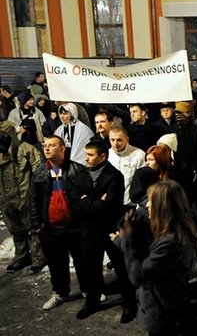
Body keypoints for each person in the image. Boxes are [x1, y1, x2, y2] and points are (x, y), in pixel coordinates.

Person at [121, 180, 197, 336]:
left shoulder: (169, 242)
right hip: (170, 306)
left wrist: (127, 242)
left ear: (163, 206)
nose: (146, 205)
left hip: (163, 313)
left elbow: (138, 276)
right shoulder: (179, 230)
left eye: (151, 202)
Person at [30, 135, 93, 310]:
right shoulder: (39, 172)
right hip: (50, 229)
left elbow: (87, 197)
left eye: (51, 145)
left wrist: (84, 222)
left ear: (62, 149)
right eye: (45, 145)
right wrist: (38, 226)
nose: (47, 149)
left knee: (82, 261)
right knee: (56, 264)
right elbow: (34, 200)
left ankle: (88, 290)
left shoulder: (77, 170)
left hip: (75, 227)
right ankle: (60, 293)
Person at [74, 140, 134, 322]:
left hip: (110, 230)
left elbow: (110, 206)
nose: (86, 159)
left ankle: (129, 303)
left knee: (121, 269)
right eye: (86, 154)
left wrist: (87, 202)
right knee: (92, 270)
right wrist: (95, 203)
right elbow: (75, 204)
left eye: (90, 155)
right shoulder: (81, 175)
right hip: (89, 231)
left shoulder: (114, 176)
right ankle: (92, 302)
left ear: (102, 156)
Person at [0, 121, 45, 273]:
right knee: (15, 229)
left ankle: (38, 256)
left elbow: (39, 173)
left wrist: (38, 196)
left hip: (25, 196)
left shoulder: (27, 150)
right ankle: (22, 255)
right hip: (5, 197)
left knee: (32, 228)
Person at [108, 127, 146, 205]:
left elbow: (143, 182)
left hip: (131, 204)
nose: (115, 143)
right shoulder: (106, 156)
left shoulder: (139, 155)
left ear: (127, 139)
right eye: (112, 140)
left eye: (119, 140)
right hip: (110, 204)